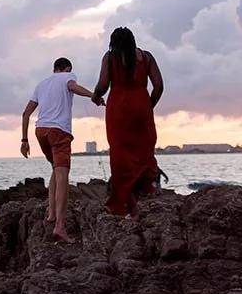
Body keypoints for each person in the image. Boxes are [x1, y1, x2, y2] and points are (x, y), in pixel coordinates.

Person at [20, 56, 97, 243]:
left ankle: (51, 214)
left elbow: (26, 113)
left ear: (54, 69)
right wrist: (93, 96)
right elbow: (72, 86)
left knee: (55, 168)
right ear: (67, 68)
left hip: (41, 131)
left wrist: (24, 140)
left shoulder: (42, 84)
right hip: (59, 131)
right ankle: (60, 227)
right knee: (63, 176)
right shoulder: (68, 76)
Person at [91, 27, 164, 217]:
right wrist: (148, 106)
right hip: (142, 103)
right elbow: (159, 86)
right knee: (145, 148)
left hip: (118, 107)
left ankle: (122, 200)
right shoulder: (146, 57)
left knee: (120, 151)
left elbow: (103, 84)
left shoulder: (109, 57)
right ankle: (150, 187)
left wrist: (96, 96)